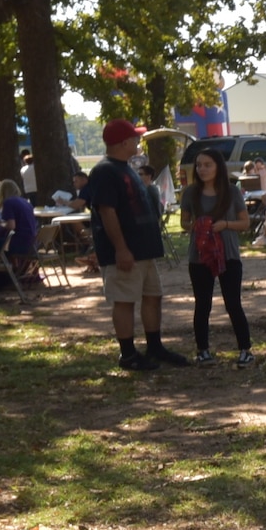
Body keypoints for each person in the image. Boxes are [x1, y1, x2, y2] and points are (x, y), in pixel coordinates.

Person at [84, 118, 187, 371]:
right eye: (134, 138)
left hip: (143, 249)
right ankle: (128, 354)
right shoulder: (105, 170)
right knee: (125, 300)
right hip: (124, 250)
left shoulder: (126, 167)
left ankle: (154, 346)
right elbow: (107, 211)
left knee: (153, 296)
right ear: (123, 142)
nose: (138, 141)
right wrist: (120, 248)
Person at [180, 149, 255, 366]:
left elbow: (245, 222)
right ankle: (202, 350)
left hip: (228, 254)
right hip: (200, 255)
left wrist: (225, 225)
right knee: (202, 304)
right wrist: (195, 225)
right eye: (199, 165)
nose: (202, 169)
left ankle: (245, 350)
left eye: (207, 165)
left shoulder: (231, 192)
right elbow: (184, 222)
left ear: (218, 167)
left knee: (233, 303)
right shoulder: (190, 193)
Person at [0, 179, 39, 279]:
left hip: (20, 243)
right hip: (33, 243)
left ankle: (3, 276)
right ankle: (16, 273)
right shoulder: (26, 202)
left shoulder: (8, 203)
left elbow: (11, 226)